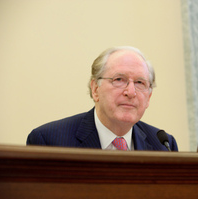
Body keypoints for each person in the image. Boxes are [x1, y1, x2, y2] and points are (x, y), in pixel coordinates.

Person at [27, 46, 178, 151]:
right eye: (119, 79)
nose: (131, 92)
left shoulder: (163, 145)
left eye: (140, 82)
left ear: (149, 96)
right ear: (95, 89)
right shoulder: (49, 141)